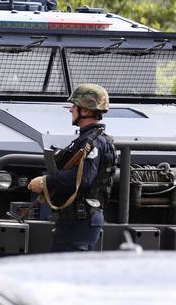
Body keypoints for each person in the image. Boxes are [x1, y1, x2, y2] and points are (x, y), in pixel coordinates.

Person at [28, 84, 116, 252]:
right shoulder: (92, 140)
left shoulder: (91, 142)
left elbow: (83, 177)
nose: (70, 110)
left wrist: (45, 182)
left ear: (85, 111)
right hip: (79, 219)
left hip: (80, 221)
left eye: (74, 106)